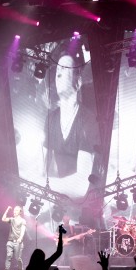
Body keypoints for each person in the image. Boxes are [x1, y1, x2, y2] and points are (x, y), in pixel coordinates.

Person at [42, 44, 100, 199]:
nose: (59, 73)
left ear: (78, 82)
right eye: (58, 69)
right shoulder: (51, 118)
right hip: (60, 198)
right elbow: (43, 168)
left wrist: (45, 185)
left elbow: (81, 185)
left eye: (65, 68)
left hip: (86, 202)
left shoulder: (88, 120)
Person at [1, 205, 26, 270]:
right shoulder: (12, 219)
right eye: (14, 210)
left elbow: (23, 230)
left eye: (16, 210)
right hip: (10, 242)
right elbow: (3, 219)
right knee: (8, 257)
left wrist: (20, 238)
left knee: (18, 258)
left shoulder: (23, 221)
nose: (14, 211)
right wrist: (7, 209)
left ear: (20, 212)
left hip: (18, 242)